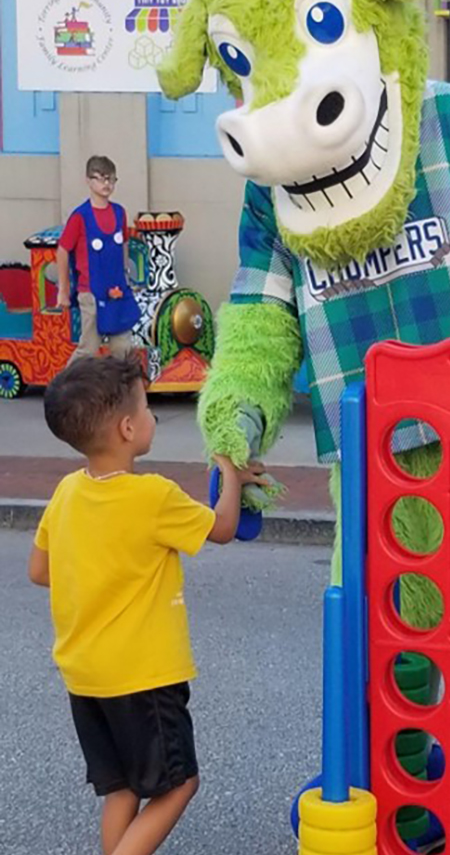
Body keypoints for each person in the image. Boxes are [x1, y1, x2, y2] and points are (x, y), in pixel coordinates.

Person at [27, 357, 266, 855]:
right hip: (143, 679)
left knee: (124, 787)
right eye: (149, 407)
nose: (154, 416)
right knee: (179, 784)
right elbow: (221, 529)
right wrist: (231, 475)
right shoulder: (152, 496)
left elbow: (40, 571)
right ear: (128, 427)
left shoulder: (67, 491)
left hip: (85, 676)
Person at [56, 156, 141, 363]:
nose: (107, 184)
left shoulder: (119, 212)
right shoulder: (80, 216)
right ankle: (64, 391)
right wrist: (64, 290)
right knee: (89, 348)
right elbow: (63, 250)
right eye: (102, 178)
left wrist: (127, 279)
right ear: (88, 180)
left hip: (117, 291)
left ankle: (122, 393)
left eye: (111, 179)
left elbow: (123, 246)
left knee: (123, 348)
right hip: (90, 292)